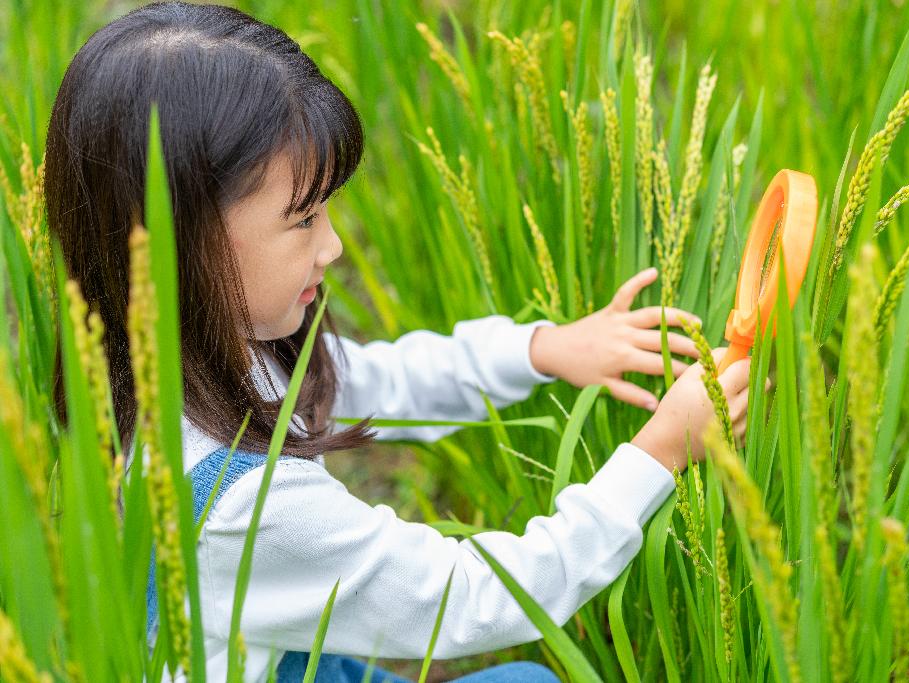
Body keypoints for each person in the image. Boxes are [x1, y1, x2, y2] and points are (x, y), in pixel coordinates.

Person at [45, 2, 753, 681]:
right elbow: (470, 598)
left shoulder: (175, 359)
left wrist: (540, 348)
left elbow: (378, 376)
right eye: (303, 220)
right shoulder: (246, 507)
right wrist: (661, 453)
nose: (334, 245)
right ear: (181, 237)